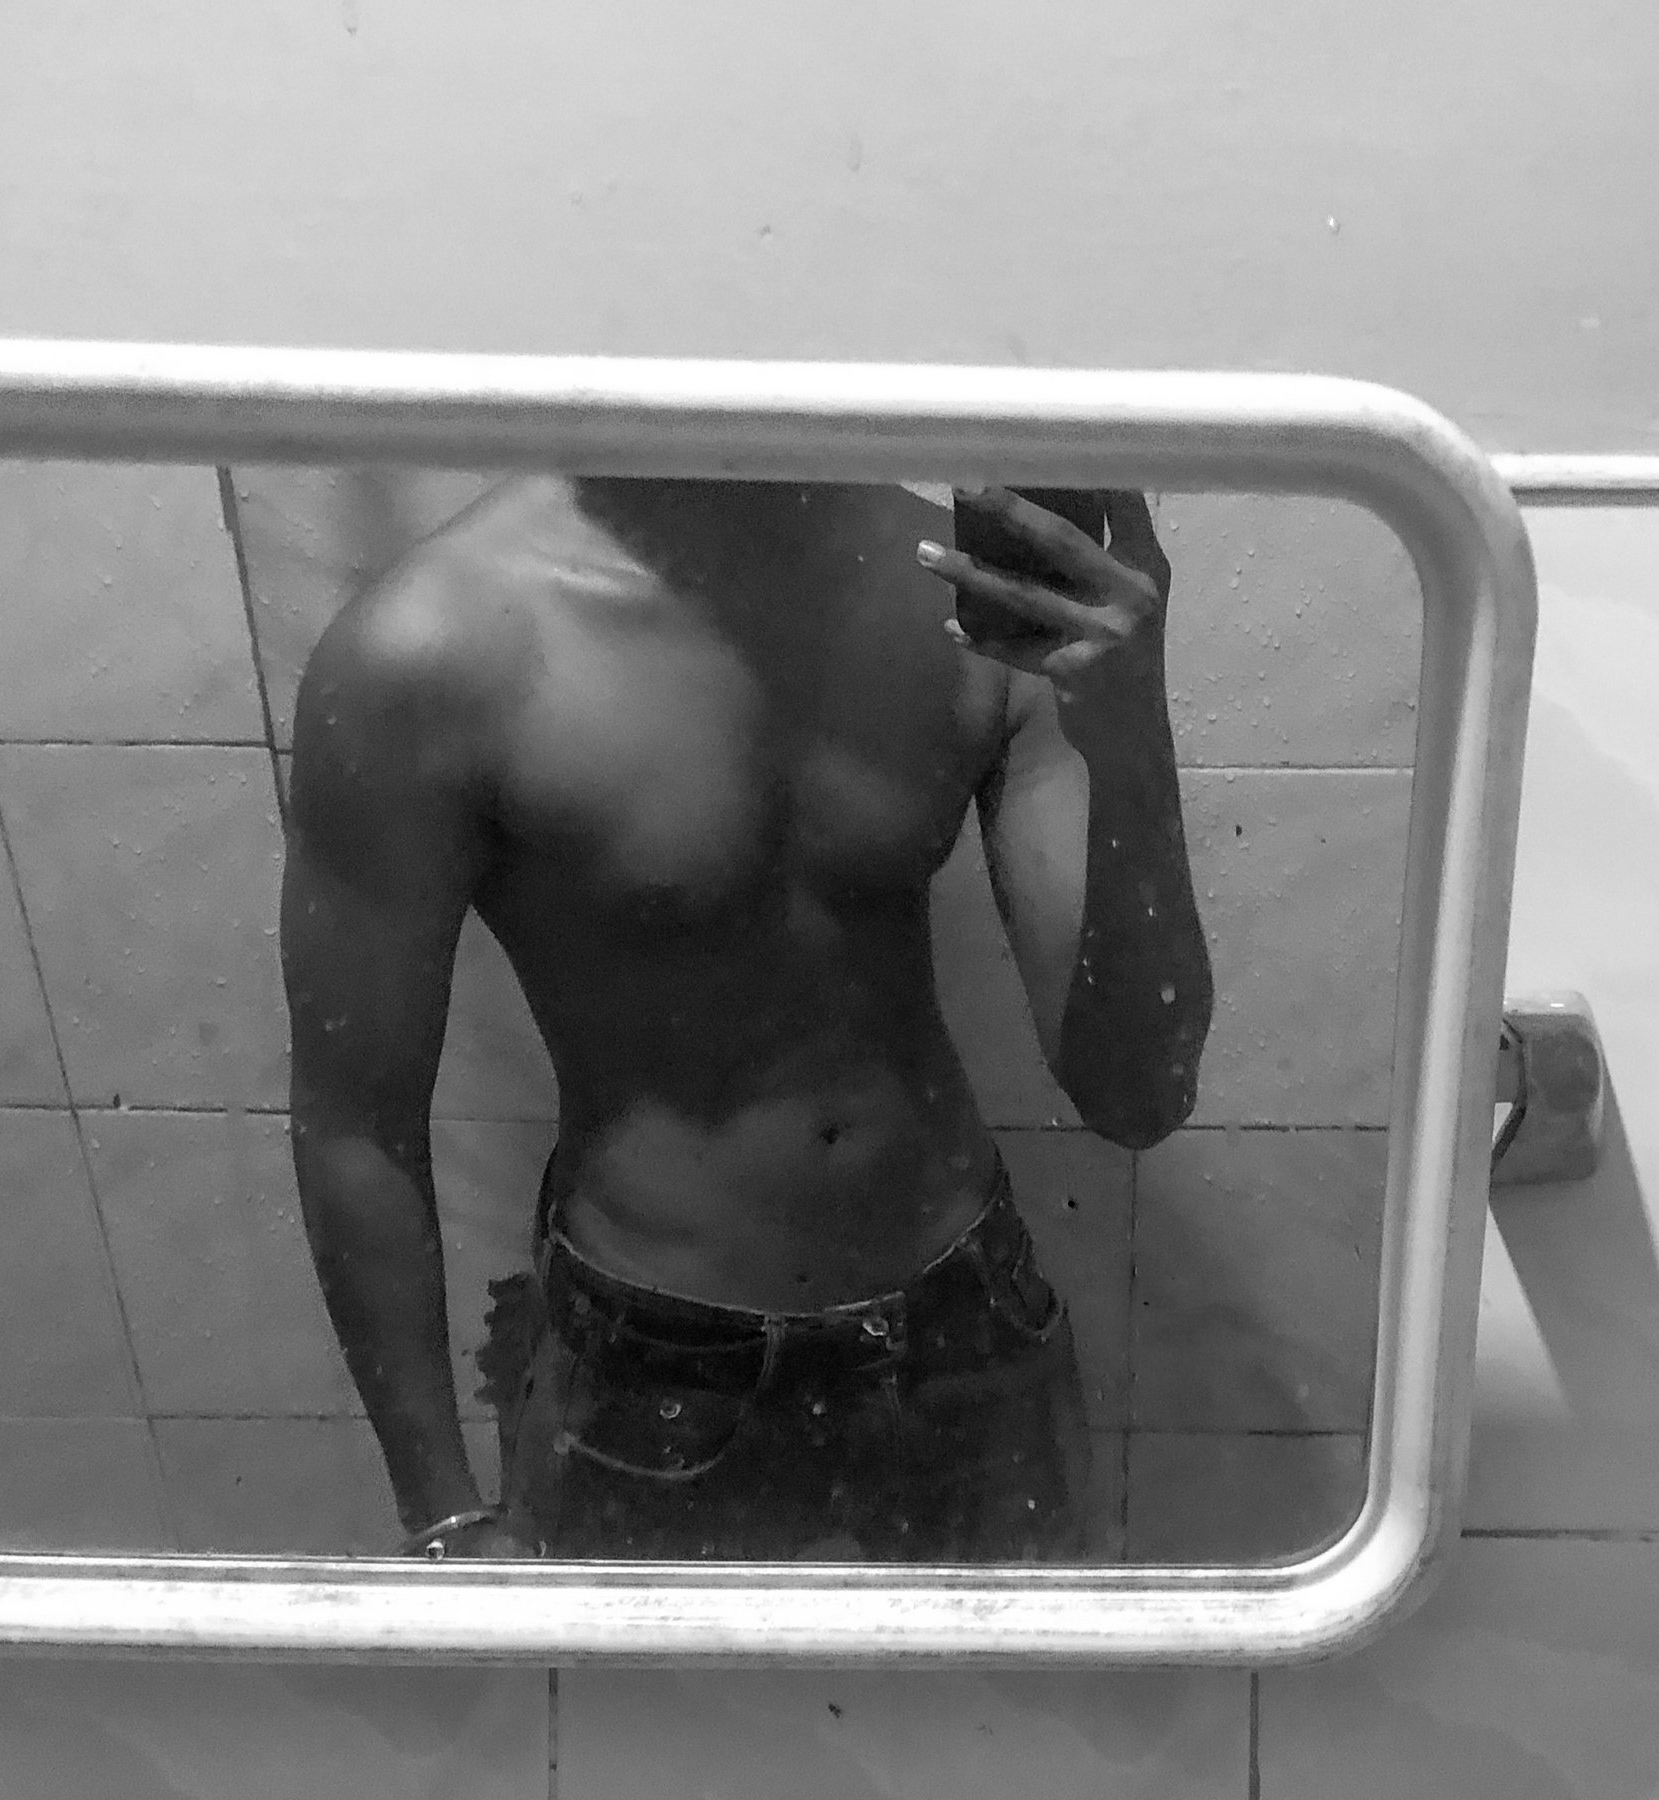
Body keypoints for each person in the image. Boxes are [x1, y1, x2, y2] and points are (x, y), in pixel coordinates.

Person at [280, 475, 1212, 1562]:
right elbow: (355, 1122)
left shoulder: (976, 605)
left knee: (1014, 1688)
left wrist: (1128, 731)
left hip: (968, 1335)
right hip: (649, 1380)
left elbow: (1136, 1094)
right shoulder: (430, 650)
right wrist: (442, 1524)